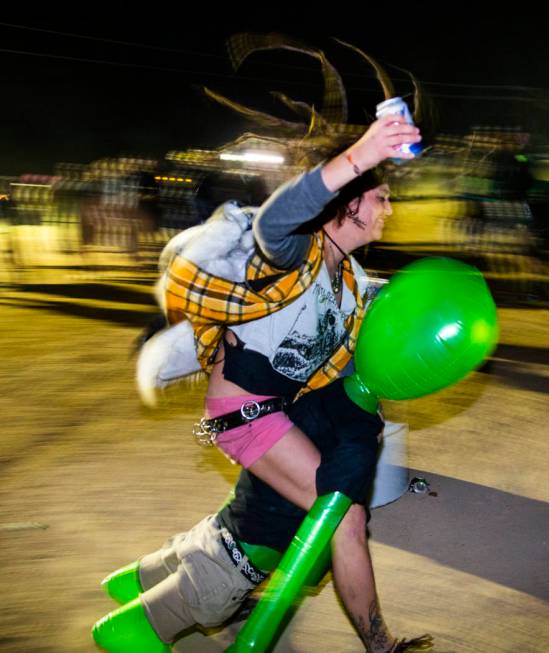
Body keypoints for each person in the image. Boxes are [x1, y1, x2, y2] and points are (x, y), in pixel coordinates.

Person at [193, 116, 422, 652]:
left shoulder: (352, 280)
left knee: (274, 519)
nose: (388, 209)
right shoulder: (296, 254)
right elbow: (274, 219)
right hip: (244, 414)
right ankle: (381, 645)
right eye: (381, 197)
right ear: (348, 200)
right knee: (343, 518)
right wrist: (360, 154)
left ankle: (209, 579)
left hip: (287, 411)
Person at [94, 378, 432, 653]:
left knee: (150, 578)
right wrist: (383, 646)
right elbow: (346, 533)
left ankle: (145, 582)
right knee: (124, 630)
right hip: (219, 579)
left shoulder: (320, 395)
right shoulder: (356, 442)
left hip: (208, 537)